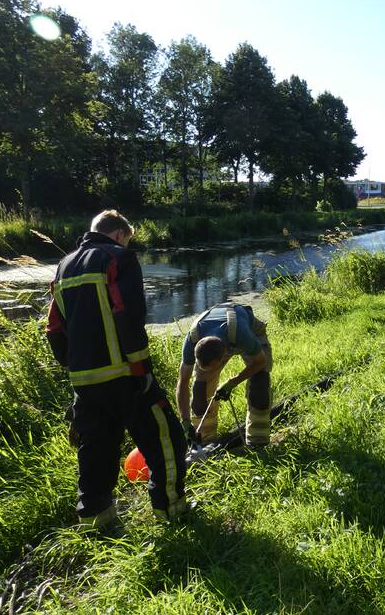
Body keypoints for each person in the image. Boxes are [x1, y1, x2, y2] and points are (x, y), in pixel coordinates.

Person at [46, 210, 187, 531]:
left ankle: (97, 521)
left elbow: (54, 329)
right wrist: (142, 370)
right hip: (124, 374)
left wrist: (75, 366)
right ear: (120, 234)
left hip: (84, 380)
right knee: (166, 438)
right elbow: (128, 314)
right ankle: (173, 512)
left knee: (95, 449)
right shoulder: (119, 258)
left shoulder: (64, 266)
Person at [176, 302, 273, 447]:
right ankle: (204, 444)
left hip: (248, 330)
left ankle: (258, 444)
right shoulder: (192, 340)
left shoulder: (242, 335)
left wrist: (233, 382)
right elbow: (183, 383)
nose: (209, 371)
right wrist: (184, 421)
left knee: (260, 387)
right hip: (218, 339)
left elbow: (260, 362)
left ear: (224, 356)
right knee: (200, 391)